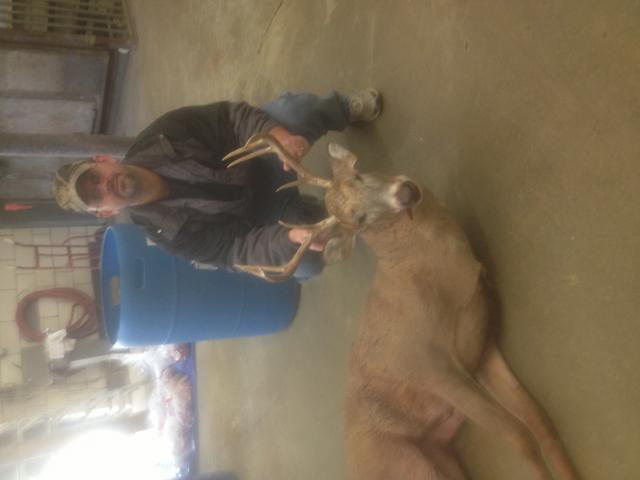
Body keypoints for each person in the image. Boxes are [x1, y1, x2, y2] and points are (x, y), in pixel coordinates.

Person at [52, 89, 382, 280]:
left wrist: (277, 137)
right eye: (96, 196)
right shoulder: (167, 234)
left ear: (103, 160)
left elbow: (230, 118)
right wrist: (287, 239)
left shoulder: (162, 136)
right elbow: (235, 252)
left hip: (264, 158)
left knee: (293, 112)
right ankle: (308, 212)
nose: (105, 186)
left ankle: (342, 109)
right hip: (262, 217)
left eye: (95, 177)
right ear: (105, 212)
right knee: (302, 260)